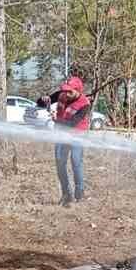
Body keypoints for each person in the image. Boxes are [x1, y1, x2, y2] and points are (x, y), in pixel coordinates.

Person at [50, 75, 92, 206]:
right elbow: (42, 101)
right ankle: (66, 194)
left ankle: (79, 194)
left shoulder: (85, 104)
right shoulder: (62, 95)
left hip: (77, 134)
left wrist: (56, 120)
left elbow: (72, 123)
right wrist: (44, 100)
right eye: (65, 90)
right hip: (61, 134)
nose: (66, 94)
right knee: (60, 162)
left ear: (78, 91)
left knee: (75, 162)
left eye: (70, 91)